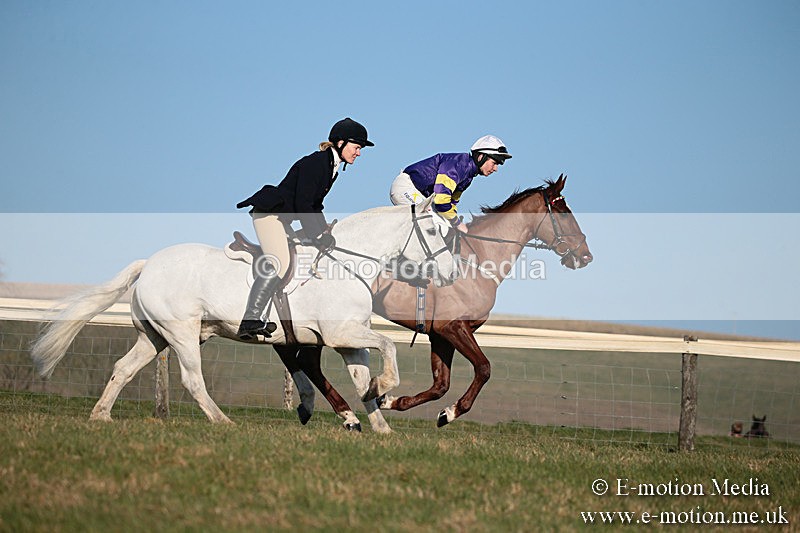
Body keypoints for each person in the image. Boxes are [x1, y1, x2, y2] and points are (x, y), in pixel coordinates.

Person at [235, 117, 374, 340]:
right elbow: (303, 204)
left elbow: (315, 206)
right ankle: (250, 319)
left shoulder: (331, 167)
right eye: (357, 147)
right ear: (340, 143)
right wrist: (317, 233)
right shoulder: (316, 163)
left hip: (283, 219)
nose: (359, 153)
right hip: (269, 215)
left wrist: (324, 232)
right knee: (280, 263)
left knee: (302, 256)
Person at [389, 135, 512, 233]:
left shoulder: (468, 177)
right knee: (432, 223)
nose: (495, 169)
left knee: (446, 227)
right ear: (481, 157)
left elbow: (451, 203)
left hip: (422, 196)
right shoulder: (458, 165)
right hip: (406, 188)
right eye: (494, 163)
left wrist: (455, 222)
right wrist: (458, 224)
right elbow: (441, 201)